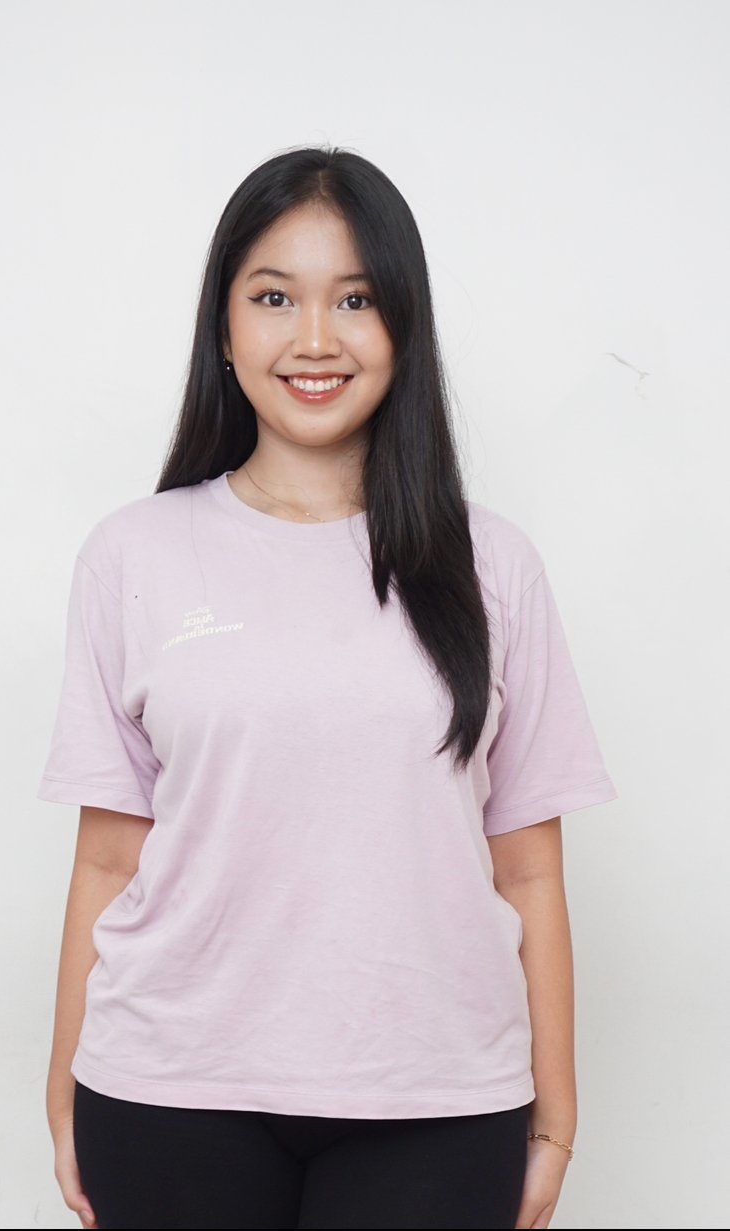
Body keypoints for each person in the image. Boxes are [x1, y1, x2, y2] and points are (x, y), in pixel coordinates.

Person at [37, 146, 618, 1231]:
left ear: (405, 324)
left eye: (355, 298)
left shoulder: (492, 565)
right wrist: (63, 1087)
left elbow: (530, 869)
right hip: (169, 1088)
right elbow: (110, 856)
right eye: (274, 297)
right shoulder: (133, 554)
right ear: (224, 329)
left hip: (437, 1098)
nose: (315, 338)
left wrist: (555, 1118)